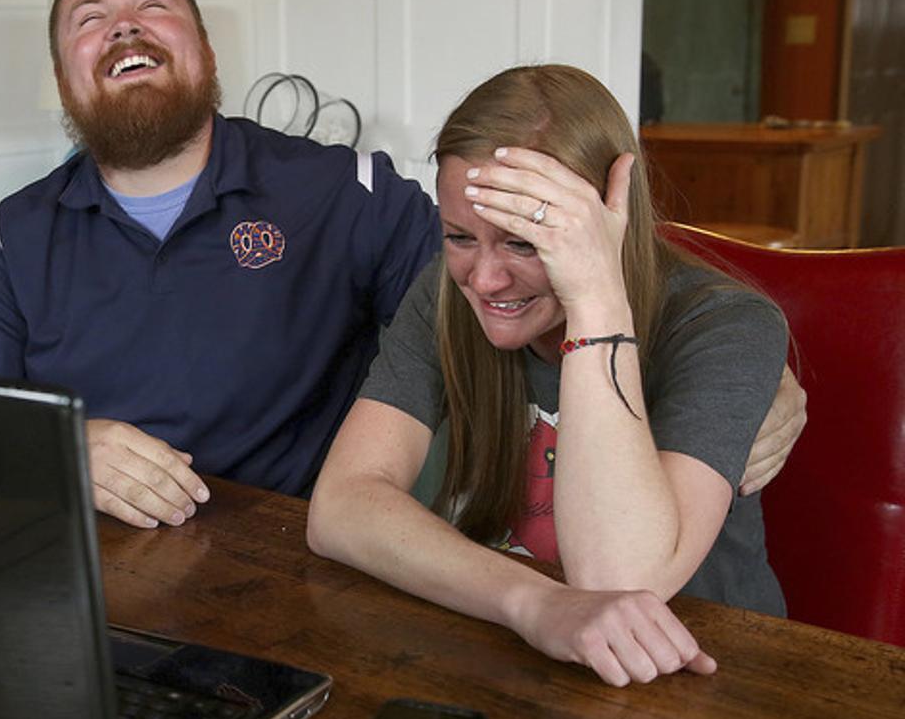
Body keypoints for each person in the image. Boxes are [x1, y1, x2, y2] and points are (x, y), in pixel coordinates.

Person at [0, 0, 803, 531]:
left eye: (153, 4)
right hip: (81, 556)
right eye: (87, 18)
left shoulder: (338, 188)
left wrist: (747, 365)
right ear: (65, 78)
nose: (124, 23)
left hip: (289, 556)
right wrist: (64, 446)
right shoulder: (9, 236)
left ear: (208, 53)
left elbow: (524, 270)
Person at [306, 64, 791, 687]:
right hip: (518, 655)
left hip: (697, 673)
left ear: (605, 221)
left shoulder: (727, 324)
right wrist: (531, 602)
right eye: (459, 236)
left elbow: (620, 581)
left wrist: (595, 294)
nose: (483, 279)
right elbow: (342, 505)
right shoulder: (446, 296)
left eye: (524, 244)